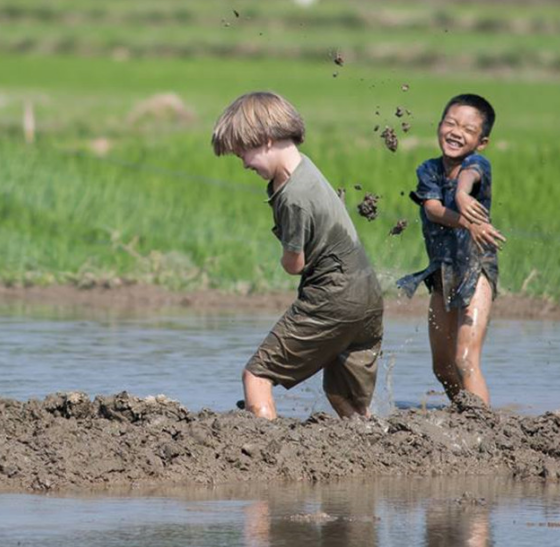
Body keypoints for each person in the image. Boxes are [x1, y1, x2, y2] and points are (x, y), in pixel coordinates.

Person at [212, 91, 383, 419]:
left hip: (333, 297)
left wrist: (283, 259)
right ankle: (379, 447)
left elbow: (295, 264)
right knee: (344, 397)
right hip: (367, 296)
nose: (245, 164)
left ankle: (266, 451)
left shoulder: (293, 195)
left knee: (257, 376)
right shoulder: (306, 169)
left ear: (265, 140)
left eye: (243, 154)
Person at [397, 94, 505, 406]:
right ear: (439, 126)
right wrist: (468, 222)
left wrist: (460, 193)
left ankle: (484, 428)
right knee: (442, 366)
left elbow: (469, 178)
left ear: (481, 142)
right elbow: (432, 209)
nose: (457, 132)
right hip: (442, 273)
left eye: (468, 129)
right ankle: (466, 415)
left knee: (465, 359)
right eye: (451, 123)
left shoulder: (477, 164)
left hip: (476, 268)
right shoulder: (428, 169)